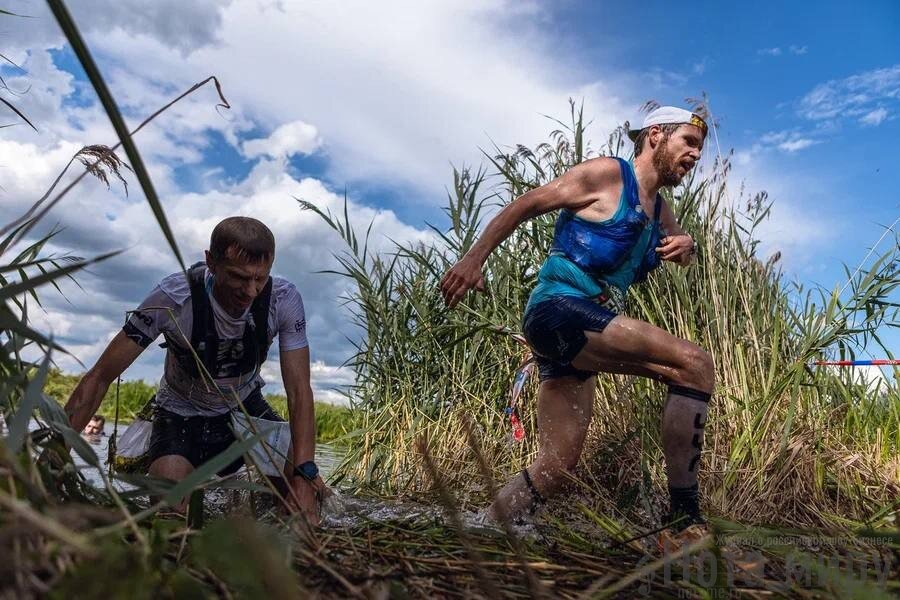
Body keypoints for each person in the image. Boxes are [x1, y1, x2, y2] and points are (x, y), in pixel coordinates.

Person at [440, 106, 713, 543]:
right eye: (690, 143)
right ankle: (683, 525)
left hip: (580, 328)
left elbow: (680, 249)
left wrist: (688, 247)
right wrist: (474, 259)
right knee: (693, 364)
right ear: (656, 135)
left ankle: (481, 533)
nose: (697, 155)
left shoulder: (661, 210)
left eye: (700, 148)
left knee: (557, 466)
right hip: (558, 309)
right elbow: (525, 204)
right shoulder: (607, 175)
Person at [65, 216, 325, 522]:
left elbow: (298, 390)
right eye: (239, 277)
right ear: (211, 262)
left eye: (260, 278)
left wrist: (305, 472)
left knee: (309, 502)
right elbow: (100, 376)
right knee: (168, 514)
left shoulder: (284, 299)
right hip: (180, 411)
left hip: (243, 405)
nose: (251, 291)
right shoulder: (173, 297)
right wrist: (56, 452)